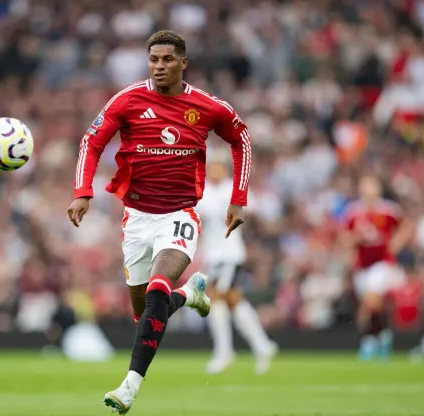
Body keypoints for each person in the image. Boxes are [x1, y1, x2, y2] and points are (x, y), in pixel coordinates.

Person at [67, 30, 252, 414]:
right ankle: (189, 295)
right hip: (136, 219)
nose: (159, 66)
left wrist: (238, 198)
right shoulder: (128, 99)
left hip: (180, 214)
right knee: (145, 314)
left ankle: (129, 387)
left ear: (183, 63)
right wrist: (82, 190)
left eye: (167, 60)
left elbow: (241, 141)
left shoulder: (206, 106)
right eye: (154, 59)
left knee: (156, 292)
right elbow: (91, 141)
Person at [196, 155, 277, 375]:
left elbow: (253, 209)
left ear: (224, 169)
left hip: (229, 253)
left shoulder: (233, 189)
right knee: (234, 301)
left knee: (214, 298)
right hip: (213, 255)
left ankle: (224, 352)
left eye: (217, 167)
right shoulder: (202, 192)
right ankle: (262, 345)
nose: (213, 171)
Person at [343, 175, 412, 360]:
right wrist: (355, 240)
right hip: (362, 265)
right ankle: (382, 336)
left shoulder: (389, 210)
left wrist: (396, 243)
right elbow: (345, 238)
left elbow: (406, 227)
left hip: (382, 263)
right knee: (374, 307)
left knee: (370, 301)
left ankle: (368, 341)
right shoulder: (354, 212)